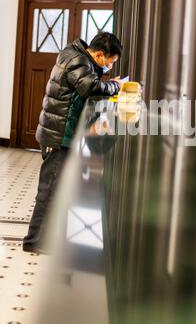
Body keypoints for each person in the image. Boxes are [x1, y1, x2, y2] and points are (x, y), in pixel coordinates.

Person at [22, 31, 122, 253]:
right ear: (99, 54)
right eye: (110, 61)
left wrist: (106, 81)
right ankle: (34, 241)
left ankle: (46, 238)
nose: (110, 67)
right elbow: (89, 86)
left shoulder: (79, 58)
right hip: (58, 135)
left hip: (59, 132)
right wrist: (115, 86)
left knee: (56, 189)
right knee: (49, 190)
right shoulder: (78, 60)